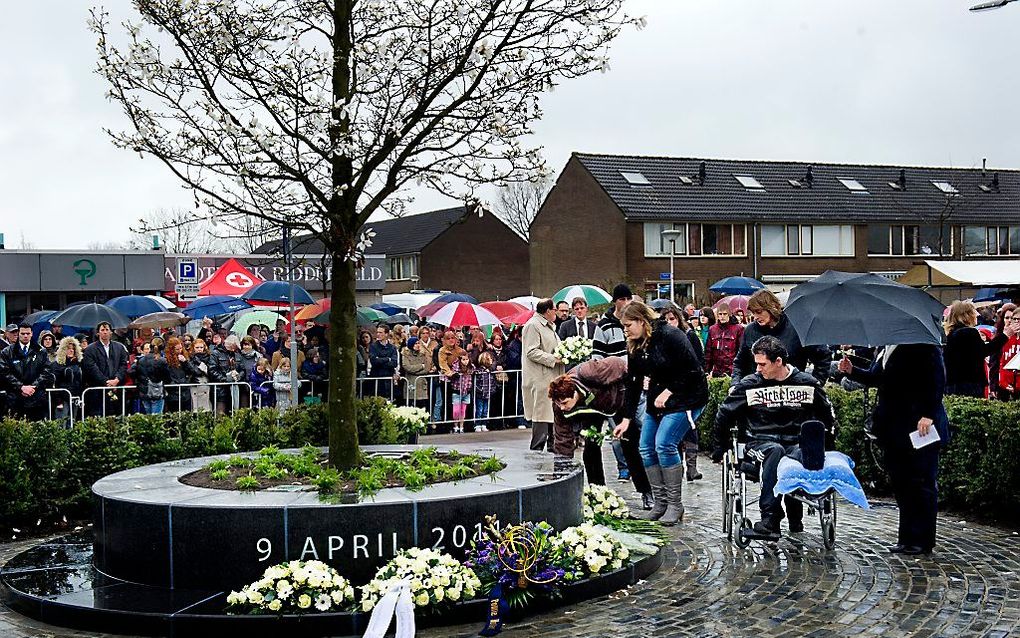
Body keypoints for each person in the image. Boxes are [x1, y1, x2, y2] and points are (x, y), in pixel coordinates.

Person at [711, 336, 836, 537]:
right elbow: (724, 413)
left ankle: (796, 516)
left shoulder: (807, 383)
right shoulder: (750, 384)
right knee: (775, 452)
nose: (758, 369)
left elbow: (826, 417)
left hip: (795, 442)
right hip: (759, 442)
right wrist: (720, 447)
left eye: (762, 364)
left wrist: (827, 445)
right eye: (756, 364)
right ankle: (770, 519)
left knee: (795, 455)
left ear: (779, 361)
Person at [612, 301, 708, 525]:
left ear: (642, 321)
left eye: (628, 325)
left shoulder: (671, 335)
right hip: (658, 399)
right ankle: (660, 503)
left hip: (688, 396)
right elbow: (633, 382)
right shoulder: (635, 344)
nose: (625, 330)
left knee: (664, 444)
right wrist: (626, 418)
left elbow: (694, 370)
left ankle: (675, 505)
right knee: (646, 447)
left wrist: (669, 391)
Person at [592, 284, 652, 507]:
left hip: (637, 388)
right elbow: (597, 358)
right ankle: (638, 489)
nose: (625, 302)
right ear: (616, 301)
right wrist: (620, 366)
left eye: (629, 298)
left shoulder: (640, 327)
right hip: (614, 390)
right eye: (622, 299)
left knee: (641, 437)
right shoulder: (604, 326)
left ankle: (650, 488)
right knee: (622, 439)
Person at [548, 356, 629, 485]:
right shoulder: (560, 408)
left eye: (564, 403)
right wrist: (560, 477)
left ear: (574, 393)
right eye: (559, 404)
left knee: (629, 445)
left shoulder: (589, 372)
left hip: (617, 401)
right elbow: (562, 441)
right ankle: (597, 488)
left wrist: (638, 378)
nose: (562, 407)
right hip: (591, 412)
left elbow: (617, 364)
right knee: (591, 448)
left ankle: (646, 490)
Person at [731, 290, 831, 384]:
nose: (756, 317)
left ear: (772, 308)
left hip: (792, 392)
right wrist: (735, 385)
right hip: (758, 392)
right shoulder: (750, 330)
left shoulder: (798, 327)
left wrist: (815, 385)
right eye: (753, 313)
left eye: (759, 312)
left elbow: (822, 356)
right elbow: (740, 362)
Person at [660, 304, 705, 481]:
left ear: (679, 319)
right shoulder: (662, 339)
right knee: (674, 430)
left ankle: (692, 467)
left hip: (690, 388)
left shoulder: (689, 336)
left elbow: (699, 360)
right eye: (666, 320)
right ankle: (677, 467)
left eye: (673, 319)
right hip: (670, 389)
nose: (670, 323)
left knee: (690, 425)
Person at [943, 300, 1012, 398]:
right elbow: (985, 350)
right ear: (967, 315)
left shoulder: (951, 333)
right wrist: (1005, 336)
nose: (977, 315)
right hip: (969, 383)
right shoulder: (969, 332)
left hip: (952, 383)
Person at [522, 299, 564, 451]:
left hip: (551, 379)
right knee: (541, 417)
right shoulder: (533, 325)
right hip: (540, 379)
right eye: (554, 309)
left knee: (551, 416)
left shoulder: (549, 326)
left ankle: (553, 451)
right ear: (547, 311)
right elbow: (531, 351)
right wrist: (554, 359)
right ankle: (537, 454)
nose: (557, 313)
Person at [0, 323, 54, 420]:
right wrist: (21, 387)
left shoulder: (41, 351)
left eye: (28, 333)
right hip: (15, 400)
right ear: (19, 334)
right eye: (23, 333)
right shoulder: (7, 352)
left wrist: (34, 386)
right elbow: (4, 372)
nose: (25, 336)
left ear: (32, 334)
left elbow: (47, 371)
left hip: (37, 399)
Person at [82, 321, 129, 417]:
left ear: (111, 332)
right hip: (97, 390)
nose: (105, 332)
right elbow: (91, 368)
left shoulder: (119, 347)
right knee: (98, 417)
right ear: (98, 333)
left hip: (116, 388)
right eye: (102, 330)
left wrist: (116, 379)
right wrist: (106, 382)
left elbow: (123, 365)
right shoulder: (90, 349)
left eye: (107, 330)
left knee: (117, 417)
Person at [130, 339, 170, 415]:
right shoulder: (162, 361)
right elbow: (168, 378)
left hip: (144, 391)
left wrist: (140, 380)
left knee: (148, 417)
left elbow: (131, 371)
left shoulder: (141, 360)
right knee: (156, 419)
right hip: (157, 391)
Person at [50, 336, 84, 423]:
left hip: (75, 398)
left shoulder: (78, 364)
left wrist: (80, 398)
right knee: (61, 425)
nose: (71, 350)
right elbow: (53, 384)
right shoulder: (56, 365)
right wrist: (58, 402)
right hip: (62, 400)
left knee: (73, 423)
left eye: (73, 348)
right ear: (63, 350)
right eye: (68, 348)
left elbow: (80, 382)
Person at [704, 303, 744, 378]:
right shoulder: (712, 329)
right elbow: (708, 352)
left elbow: (741, 351)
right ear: (717, 315)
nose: (722, 316)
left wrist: (738, 370)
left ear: (729, 314)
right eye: (720, 314)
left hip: (732, 371)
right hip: (717, 371)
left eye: (725, 314)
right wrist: (707, 371)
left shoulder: (738, 329)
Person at [990, 304, 1017, 400]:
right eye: (1007, 318)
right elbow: (994, 364)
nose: (1009, 321)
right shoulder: (998, 338)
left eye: (1012, 318)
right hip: (1002, 383)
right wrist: (993, 386)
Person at [213, 335, 245, 414]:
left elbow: (242, 369)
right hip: (221, 390)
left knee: (236, 413)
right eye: (234, 347)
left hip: (235, 389)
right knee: (221, 414)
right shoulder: (216, 353)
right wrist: (225, 379)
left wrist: (239, 376)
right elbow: (212, 370)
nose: (235, 349)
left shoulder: (237, 355)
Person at [400, 337, 433, 409]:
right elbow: (407, 367)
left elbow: (427, 368)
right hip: (411, 383)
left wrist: (415, 371)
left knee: (422, 407)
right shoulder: (405, 354)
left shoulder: (423, 354)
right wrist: (421, 366)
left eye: (418, 343)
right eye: (415, 343)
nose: (417, 345)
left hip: (421, 384)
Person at [369, 325, 399, 400]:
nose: (378, 334)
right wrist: (387, 359)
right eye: (377, 332)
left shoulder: (392, 347)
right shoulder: (373, 346)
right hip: (377, 378)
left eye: (380, 332)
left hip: (389, 379)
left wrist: (380, 360)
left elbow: (394, 363)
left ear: (386, 334)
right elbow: (374, 361)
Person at [164, 337, 194, 412]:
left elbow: (192, 371)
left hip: (185, 390)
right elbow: (166, 375)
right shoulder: (166, 361)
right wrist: (173, 385)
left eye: (181, 348)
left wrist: (185, 362)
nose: (180, 351)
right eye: (177, 349)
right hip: (173, 392)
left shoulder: (184, 357)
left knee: (186, 413)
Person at [188, 338, 215, 412]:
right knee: (195, 407)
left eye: (201, 347)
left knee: (206, 407)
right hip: (195, 384)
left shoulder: (209, 357)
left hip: (205, 383)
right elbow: (193, 370)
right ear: (193, 348)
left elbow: (209, 371)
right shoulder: (190, 357)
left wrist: (199, 363)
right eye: (197, 347)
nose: (199, 349)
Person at [998, 313, 1020, 400]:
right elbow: (1003, 363)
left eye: (1019, 319)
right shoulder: (1008, 340)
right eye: (1014, 319)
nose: (1017, 322)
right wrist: (1003, 381)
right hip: (1008, 385)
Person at [450, 351, 473, 434]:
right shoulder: (456, 367)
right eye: (463, 359)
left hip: (466, 391)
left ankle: (461, 426)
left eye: (467, 359)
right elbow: (454, 371)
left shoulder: (470, 367)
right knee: (456, 411)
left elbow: (474, 369)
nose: (465, 361)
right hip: (457, 391)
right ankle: (455, 425)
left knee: (463, 411)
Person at [474, 351, 497, 432]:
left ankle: (484, 424)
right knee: (479, 409)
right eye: (489, 359)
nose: (491, 360)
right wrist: (479, 390)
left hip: (488, 393)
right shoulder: (479, 371)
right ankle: (477, 424)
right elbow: (476, 382)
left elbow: (493, 382)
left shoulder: (490, 371)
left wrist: (492, 390)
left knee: (485, 410)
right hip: (480, 393)